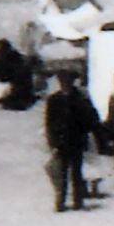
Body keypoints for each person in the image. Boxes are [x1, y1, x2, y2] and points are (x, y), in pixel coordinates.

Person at [43, 74, 103, 212]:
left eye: (66, 81)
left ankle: (75, 200)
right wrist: (52, 141)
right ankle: (63, 201)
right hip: (63, 141)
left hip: (76, 140)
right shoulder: (56, 100)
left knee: (75, 172)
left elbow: (91, 118)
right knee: (63, 173)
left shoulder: (78, 99)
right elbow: (49, 123)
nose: (65, 84)